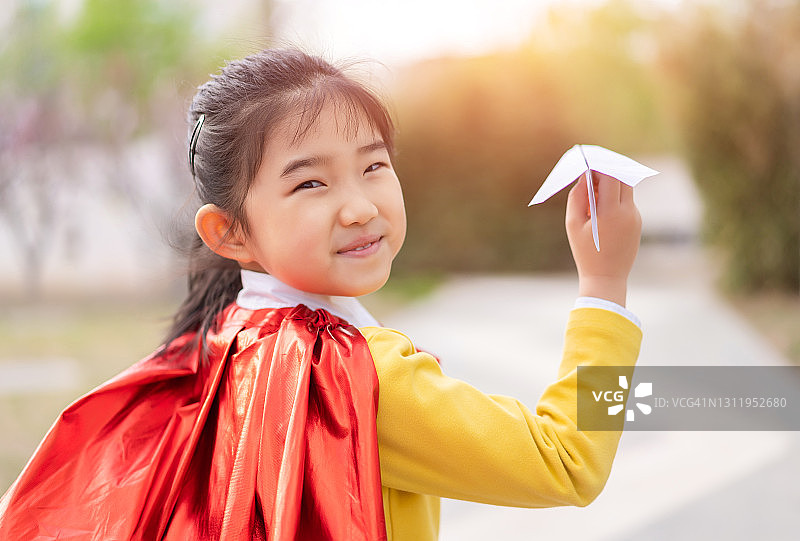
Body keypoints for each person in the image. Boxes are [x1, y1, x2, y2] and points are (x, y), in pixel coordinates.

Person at [0, 48, 642, 541]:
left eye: (373, 166)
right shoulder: (361, 378)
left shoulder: (223, 341)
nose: (359, 207)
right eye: (310, 184)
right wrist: (604, 286)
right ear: (230, 233)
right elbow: (567, 461)